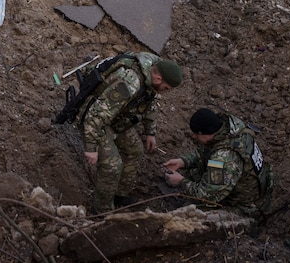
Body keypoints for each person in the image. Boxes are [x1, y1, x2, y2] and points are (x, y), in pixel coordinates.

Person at [76, 52, 183, 214]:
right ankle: (102, 210)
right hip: (96, 119)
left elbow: (150, 102)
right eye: (166, 88)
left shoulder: (153, 70)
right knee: (113, 165)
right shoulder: (129, 83)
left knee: (135, 151)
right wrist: (91, 147)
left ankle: (119, 194)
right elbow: (95, 115)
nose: (165, 92)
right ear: (159, 79)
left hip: (117, 116)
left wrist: (150, 132)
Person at [163, 108, 274, 219]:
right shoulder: (230, 129)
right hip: (242, 188)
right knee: (192, 174)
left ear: (208, 132)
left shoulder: (223, 158)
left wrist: (181, 181)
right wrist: (184, 161)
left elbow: (205, 196)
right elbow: (207, 150)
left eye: (197, 133)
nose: (194, 136)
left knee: (189, 214)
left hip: (244, 206)